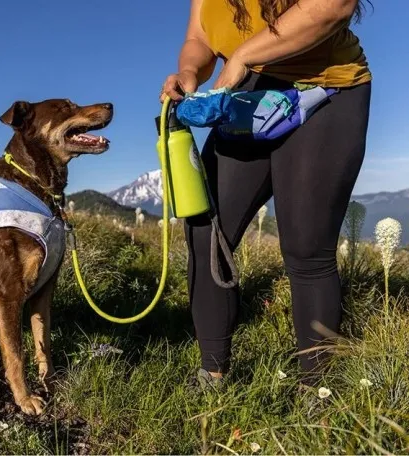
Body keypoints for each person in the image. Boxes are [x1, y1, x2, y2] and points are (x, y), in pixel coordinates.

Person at [159, 0, 372, 386]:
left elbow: (333, 7)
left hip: (324, 91)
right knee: (206, 231)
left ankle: (317, 389)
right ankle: (212, 372)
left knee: (306, 248)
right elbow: (199, 37)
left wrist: (243, 55)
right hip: (248, 95)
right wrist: (190, 71)